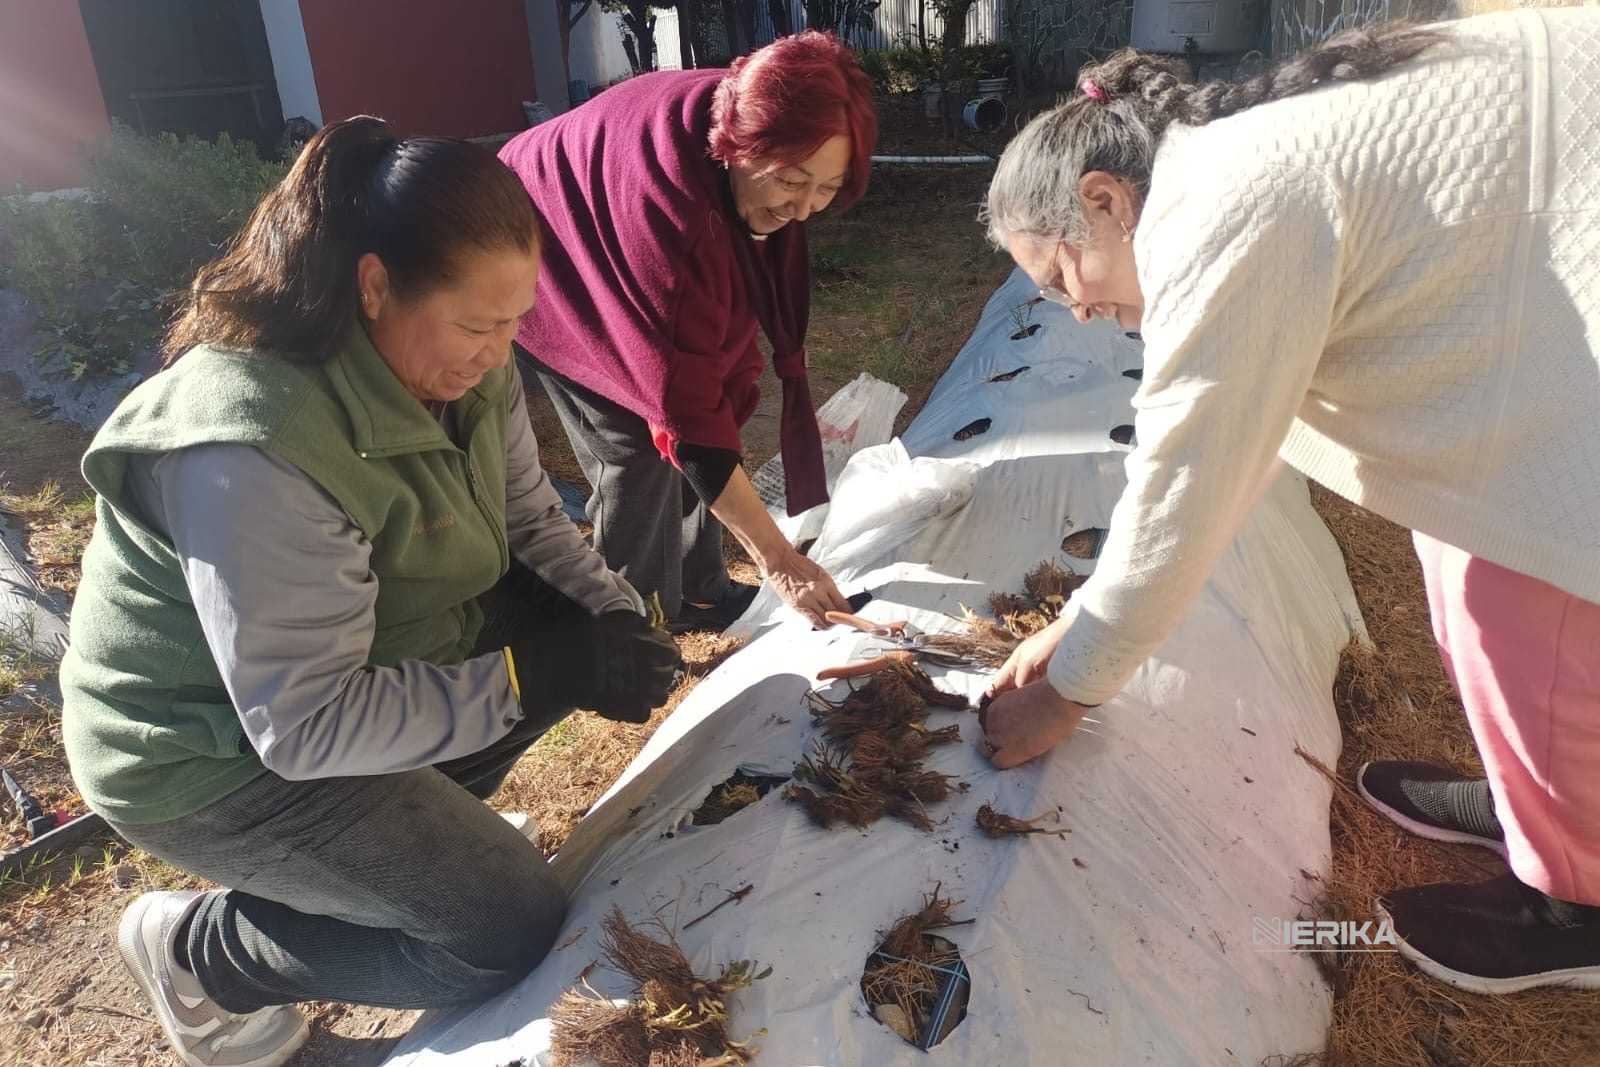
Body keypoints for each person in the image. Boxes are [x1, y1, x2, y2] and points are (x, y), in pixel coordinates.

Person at [976, 9, 1600, 994]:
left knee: (1529, 602)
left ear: (1103, 199)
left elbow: (1192, 476)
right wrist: (1084, 621)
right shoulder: (1218, 167)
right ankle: (1538, 801)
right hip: (1536, 287)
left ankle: (1577, 910)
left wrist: (1071, 688)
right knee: (1462, 561)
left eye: (1062, 280)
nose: (1080, 311)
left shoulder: (1221, 208)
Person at [59, 117, 682, 1067]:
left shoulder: (465, 365)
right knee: (508, 930)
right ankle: (198, 953)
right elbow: (302, 725)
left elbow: (528, 516)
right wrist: (530, 677)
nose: (498, 350)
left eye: (516, 321)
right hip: (209, 753)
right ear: (376, 285)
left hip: (357, 662)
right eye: (477, 325)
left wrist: (610, 613)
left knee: (561, 624)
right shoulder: (253, 444)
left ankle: (410, 852)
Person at [499, 31, 878, 630]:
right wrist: (777, 559)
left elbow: (708, 400)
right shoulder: (677, 224)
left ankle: (702, 589)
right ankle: (633, 625)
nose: (804, 210)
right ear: (737, 145)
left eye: (826, 188)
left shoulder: (757, 130)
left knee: (717, 402)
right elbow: (685, 415)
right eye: (790, 181)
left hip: (617, 203)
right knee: (631, 446)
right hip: (546, 245)